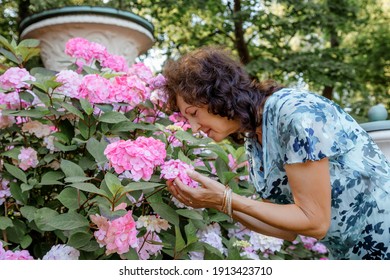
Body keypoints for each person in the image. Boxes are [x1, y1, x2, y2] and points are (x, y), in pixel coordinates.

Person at [162, 46, 390, 260]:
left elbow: (315, 221)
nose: (193, 128)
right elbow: (285, 229)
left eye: (193, 113)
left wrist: (226, 198)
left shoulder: (292, 112)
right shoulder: (255, 143)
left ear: (217, 95)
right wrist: (218, 203)